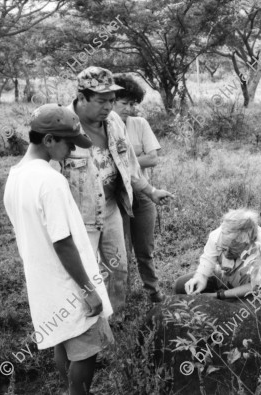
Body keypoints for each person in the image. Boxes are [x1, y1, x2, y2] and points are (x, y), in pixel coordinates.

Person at [3, 104, 114, 395]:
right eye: (68, 143)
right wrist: (88, 288)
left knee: (61, 341)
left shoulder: (15, 176)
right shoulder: (50, 181)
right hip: (68, 281)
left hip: (42, 279)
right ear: (49, 139)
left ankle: (69, 389)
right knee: (85, 349)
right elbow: (62, 242)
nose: (73, 150)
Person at [61, 66, 173, 314]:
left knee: (118, 266)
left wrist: (150, 191)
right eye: (102, 101)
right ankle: (83, 321)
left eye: (112, 100)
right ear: (82, 97)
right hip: (80, 213)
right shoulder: (62, 125)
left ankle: (115, 316)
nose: (109, 107)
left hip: (111, 206)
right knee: (84, 270)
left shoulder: (113, 122)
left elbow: (128, 163)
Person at [113, 73, 164, 303]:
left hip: (142, 193)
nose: (129, 109)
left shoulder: (139, 124)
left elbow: (153, 158)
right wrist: (136, 158)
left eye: (132, 104)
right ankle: (123, 298)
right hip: (116, 197)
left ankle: (153, 292)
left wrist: (123, 162)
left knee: (145, 249)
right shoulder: (103, 129)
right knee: (120, 252)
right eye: (124, 103)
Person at [174, 209, 261, 300]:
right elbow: (207, 261)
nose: (225, 253)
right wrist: (200, 278)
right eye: (222, 248)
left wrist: (218, 295)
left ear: (246, 244)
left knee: (254, 306)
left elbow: (258, 285)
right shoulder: (217, 235)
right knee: (181, 285)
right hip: (223, 277)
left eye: (231, 250)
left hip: (247, 286)